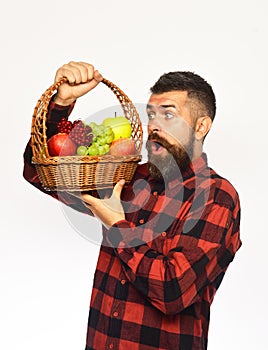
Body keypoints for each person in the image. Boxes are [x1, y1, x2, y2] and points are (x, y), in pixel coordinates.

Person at [23, 61, 242, 350]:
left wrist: (117, 225)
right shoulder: (128, 179)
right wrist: (62, 103)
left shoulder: (217, 197)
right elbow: (40, 173)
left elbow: (171, 291)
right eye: (151, 114)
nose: (154, 125)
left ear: (201, 126)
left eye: (168, 114)